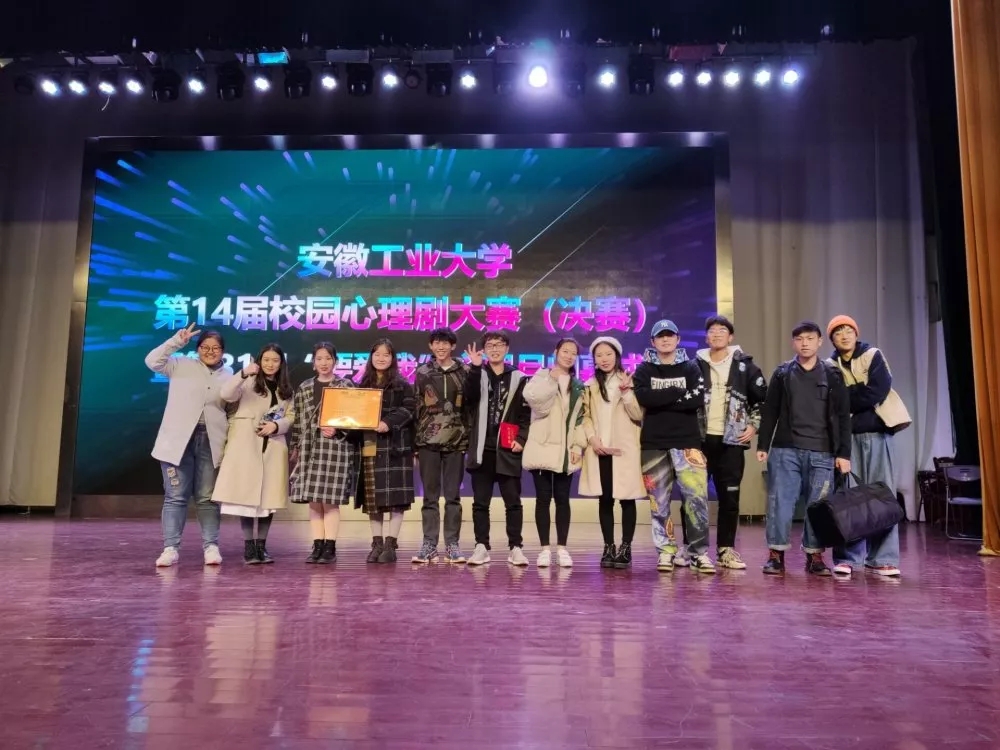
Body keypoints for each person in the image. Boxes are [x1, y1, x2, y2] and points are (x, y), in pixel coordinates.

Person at [756, 321, 852, 576]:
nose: (805, 343)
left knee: (818, 506)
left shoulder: (832, 374)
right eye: (799, 339)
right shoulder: (782, 373)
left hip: (822, 451)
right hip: (785, 450)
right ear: (793, 343)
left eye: (810, 338)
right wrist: (763, 444)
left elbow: (843, 416)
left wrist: (844, 453)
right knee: (779, 502)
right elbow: (770, 410)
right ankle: (775, 554)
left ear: (819, 342)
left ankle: (815, 555)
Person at [145, 324, 232, 568]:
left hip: (211, 441)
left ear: (223, 351)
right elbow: (151, 361)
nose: (210, 352)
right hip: (177, 441)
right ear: (197, 348)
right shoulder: (180, 364)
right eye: (205, 347)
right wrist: (176, 341)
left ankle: (211, 546)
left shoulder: (229, 375)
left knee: (207, 497)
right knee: (176, 496)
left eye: (215, 348)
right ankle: (170, 548)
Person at [633, 319, 715, 574]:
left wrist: (660, 399)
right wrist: (677, 393)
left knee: (696, 500)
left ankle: (698, 553)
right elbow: (643, 396)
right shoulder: (644, 369)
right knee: (658, 502)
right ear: (653, 341)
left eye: (670, 335)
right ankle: (666, 551)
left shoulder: (691, 367)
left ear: (678, 339)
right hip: (653, 444)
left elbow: (696, 399)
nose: (666, 340)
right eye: (661, 336)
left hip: (688, 442)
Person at [826, 315, 902, 578]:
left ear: (856, 334)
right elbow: (834, 400)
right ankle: (848, 557)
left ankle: (883, 558)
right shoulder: (829, 366)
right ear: (832, 339)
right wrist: (858, 392)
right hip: (847, 439)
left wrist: (849, 396)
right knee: (849, 497)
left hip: (878, 433)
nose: (844, 335)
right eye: (838, 332)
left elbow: (878, 391)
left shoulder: (872, 355)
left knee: (882, 496)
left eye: (848, 330)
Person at [693, 315, 768, 569]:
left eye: (722, 330)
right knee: (694, 497)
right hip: (699, 441)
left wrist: (754, 425)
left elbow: (762, 400)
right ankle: (693, 550)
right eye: (712, 331)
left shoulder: (745, 366)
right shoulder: (694, 365)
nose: (716, 334)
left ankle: (726, 549)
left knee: (730, 498)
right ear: (706, 337)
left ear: (731, 336)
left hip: (732, 442)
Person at [212, 344, 295, 564]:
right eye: (266, 360)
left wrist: (276, 426)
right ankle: (249, 547)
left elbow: (291, 415)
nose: (270, 364)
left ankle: (262, 546)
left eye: (275, 360)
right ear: (259, 361)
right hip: (247, 445)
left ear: (281, 363)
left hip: (273, 445)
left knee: (269, 500)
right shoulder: (248, 382)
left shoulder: (286, 389)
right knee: (246, 498)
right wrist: (243, 373)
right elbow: (226, 394)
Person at [463, 331, 531, 566]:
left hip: (508, 449)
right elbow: (469, 397)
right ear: (484, 350)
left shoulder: (519, 378)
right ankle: (481, 546)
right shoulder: (476, 373)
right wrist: (475, 367)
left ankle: (516, 547)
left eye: (499, 344)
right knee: (480, 503)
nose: (495, 349)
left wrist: (521, 438)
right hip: (482, 449)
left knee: (513, 502)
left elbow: (526, 414)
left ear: (507, 348)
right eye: (490, 345)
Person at [578, 336, 645, 569]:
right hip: (600, 450)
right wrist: (592, 439)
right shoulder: (589, 385)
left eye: (608, 354)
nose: (604, 359)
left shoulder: (630, 381)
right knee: (605, 500)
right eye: (599, 355)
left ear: (617, 356)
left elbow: (638, 415)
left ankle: (626, 547)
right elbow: (585, 417)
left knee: (627, 499)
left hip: (624, 450)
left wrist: (626, 393)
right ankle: (608, 546)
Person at [288, 342, 358, 564]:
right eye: (319, 358)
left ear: (335, 361)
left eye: (328, 358)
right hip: (310, 448)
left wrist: (339, 429)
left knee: (330, 501)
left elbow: (356, 417)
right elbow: (298, 420)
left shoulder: (345, 386)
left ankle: (330, 547)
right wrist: (295, 447)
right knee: (314, 501)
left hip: (335, 448)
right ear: (313, 363)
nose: (324, 363)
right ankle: (317, 545)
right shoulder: (305, 387)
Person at [523, 338, 587, 568]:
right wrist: (552, 380)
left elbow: (580, 419)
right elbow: (537, 404)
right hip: (542, 447)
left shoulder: (578, 386)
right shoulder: (541, 376)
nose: (568, 356)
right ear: (556, 352)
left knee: (562, 499)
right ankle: (544, 550)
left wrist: (578, 446)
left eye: (573, 353)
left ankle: (562, 548)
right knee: (543, 499)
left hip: (565, 451)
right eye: (565, 351)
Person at [353, 338, 416, 564]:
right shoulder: (362, 385)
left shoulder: (402, 384)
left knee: (396, 500)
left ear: (392, 358)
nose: (381, 358)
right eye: (377, 354)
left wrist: (388, 422)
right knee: (373, 501)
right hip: (370, 445)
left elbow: (410, 410)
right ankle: (377, 543)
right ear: (371, 357)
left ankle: (391, 544)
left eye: (386, 355)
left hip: (394, 446)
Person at [412, 327, 470, 564]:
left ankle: (452, 544)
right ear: (430, 346)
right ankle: (429, 544)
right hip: (428, 442)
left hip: (456, 442)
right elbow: (416, 407)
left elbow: (470, 408)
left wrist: (467, 438)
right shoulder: (423, 371)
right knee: (430, 497)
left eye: (445, 343)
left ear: (453, 346)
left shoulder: (465, 371)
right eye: (436, 343)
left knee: (453, 497)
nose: (441, 347)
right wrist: (415, 443)